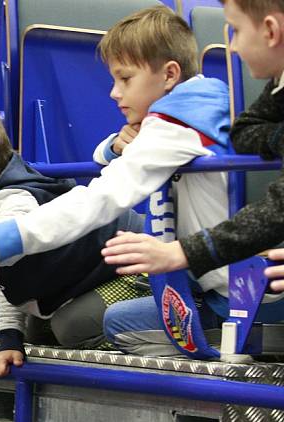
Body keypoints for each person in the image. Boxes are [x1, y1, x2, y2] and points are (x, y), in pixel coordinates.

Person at [0, 6, 236, 356]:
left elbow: (99, 198)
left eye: (125, 79)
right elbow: (110, 157)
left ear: (169, 75)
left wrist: (1, 236)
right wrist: (115, 147)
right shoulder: (206, 106)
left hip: (229, 296)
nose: (114, 93)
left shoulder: (176, 125)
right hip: (230, 281)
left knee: (100, 324)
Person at [0, 101, 146, 377]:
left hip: (137, 266)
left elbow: (6, 248)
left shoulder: (15, 200)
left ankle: (178, 328)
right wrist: (10, 337)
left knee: (69, 327)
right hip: (93, 276)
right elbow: (3, 275)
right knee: (40, 329)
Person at [102, 0, 284, 293]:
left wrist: (181, 253)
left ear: (271, 31)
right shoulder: (270, 86)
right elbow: (246, 130)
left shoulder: (176, 121)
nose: (232, 48)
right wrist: (113, 147)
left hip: (225, 283)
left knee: (83, 324)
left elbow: (280, 208)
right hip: (218, 270)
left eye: (235, 30)